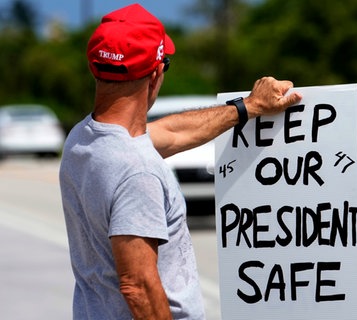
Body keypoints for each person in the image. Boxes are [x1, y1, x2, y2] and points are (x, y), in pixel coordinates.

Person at [59, 3, 302, 320]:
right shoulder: (138, 171)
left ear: (96, 69)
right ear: (157, 72)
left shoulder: (84, 139)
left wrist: (248, 106)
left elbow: (171, 133)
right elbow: (138, 287)